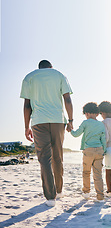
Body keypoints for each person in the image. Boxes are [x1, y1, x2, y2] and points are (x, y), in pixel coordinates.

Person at [20, 60, 73, 207]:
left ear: (39, 68)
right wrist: (71, 120)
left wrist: (26, 127)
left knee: (44, 158)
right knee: (58, 156)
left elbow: (26, 105)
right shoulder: (59, 75)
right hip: (57, 119)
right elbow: (67, 99)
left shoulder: (29, 77)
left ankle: (50, 197)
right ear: (50, 67)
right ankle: (60, 190)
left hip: (38, 121)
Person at [67, 102, 106, 202]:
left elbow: (76, 134)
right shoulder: (101, 124)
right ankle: (100, 196)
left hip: (88, 150)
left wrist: (70, 130)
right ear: (97, 114)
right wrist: (104, 151)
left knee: (86, 172)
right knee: (98, 174)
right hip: (99, 150)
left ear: (87, 113)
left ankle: (86, 192)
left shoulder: (85, 122)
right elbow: (104, 139)